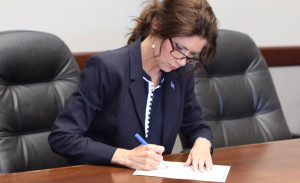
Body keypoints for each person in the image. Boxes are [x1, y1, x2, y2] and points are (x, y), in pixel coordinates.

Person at [48, 0, 218, 172]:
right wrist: (125, 157)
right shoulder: (107, 67)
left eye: (192, 54)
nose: (182, 61)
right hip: (100, 176)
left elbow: (197, 125)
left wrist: (202, 143)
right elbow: (62, 137)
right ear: (157, 26)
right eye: (180, 48)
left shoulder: (181, 75)